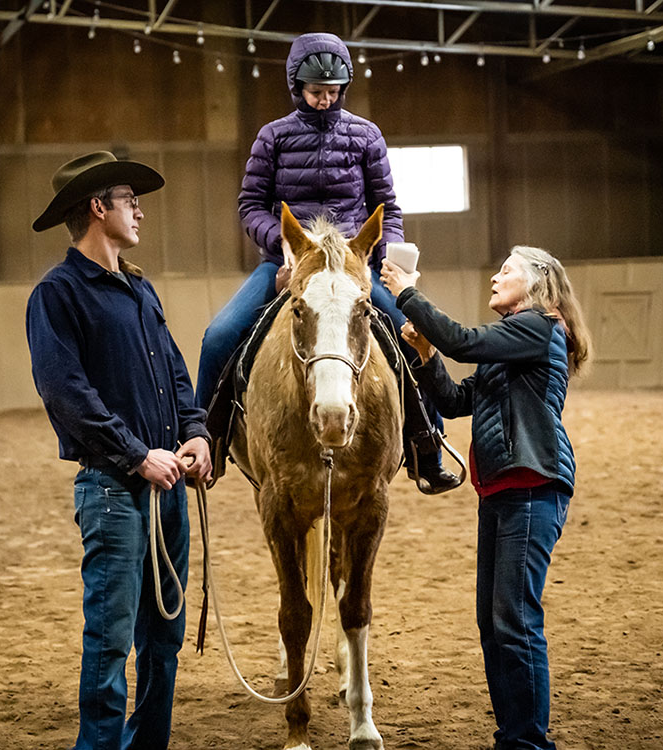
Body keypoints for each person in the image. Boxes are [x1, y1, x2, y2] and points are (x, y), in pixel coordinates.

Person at [196, 31, 459, 494]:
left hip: (353, 264)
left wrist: (390, 258)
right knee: (219, 335)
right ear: (297, 87)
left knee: (411, 332)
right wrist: (283, 245)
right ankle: (206, 442)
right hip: (291, 263)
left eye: (333, 92)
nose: (324, 101)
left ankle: (427, 446)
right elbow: (251, 205)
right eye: (317, 92)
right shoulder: (272, 137)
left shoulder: (365, 135)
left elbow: (387, 207)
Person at [26, 151, 212, 750]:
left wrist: (196, 432)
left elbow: (176, 374)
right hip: (113, 487)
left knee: (165, 637)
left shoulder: (139, 288)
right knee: (109, 640)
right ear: (98, 207)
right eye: (131, 200)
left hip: (165, 484)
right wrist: (137, 455)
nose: (139, 212)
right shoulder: (57, 295)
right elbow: (67, 394)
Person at [381, 245, 591, 750]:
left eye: (507, 270)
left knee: (514, 622)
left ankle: (526, 744)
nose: (495, 277)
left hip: (531, 486)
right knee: (496, 627)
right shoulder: (512, 344)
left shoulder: (538, 327)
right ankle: (514, 737)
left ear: (536, 283)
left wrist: (406, 293)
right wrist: (427, 357)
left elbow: (462, 340)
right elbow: (455, 401)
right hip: (502, 489)